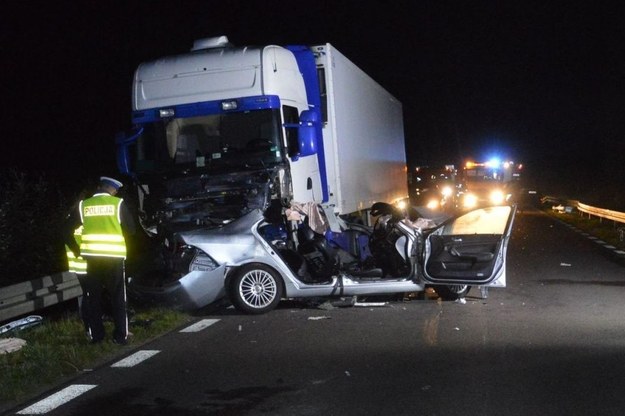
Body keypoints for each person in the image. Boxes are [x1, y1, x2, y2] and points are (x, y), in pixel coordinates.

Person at [65, 176, 136, 345]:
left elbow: (67, 232)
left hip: (91, 258)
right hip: (114, 258)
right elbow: (131, 230)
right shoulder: (117, 204)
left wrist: (78, 251)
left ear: (99, 187)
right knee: (118, 297)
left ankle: (97, 336)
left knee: (92, 298)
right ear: (112, 190)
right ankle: (120, 336)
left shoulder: (84, 205)